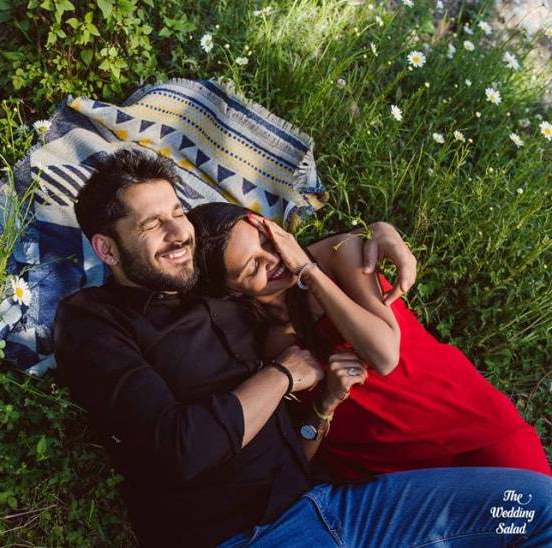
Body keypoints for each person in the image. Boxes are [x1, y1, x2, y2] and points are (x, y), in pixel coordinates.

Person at [53, 147, 552, 547]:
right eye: (150, 224)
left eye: (177, 212)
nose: (176, 232)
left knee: (537, 508)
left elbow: (317, 256)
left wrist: (376, 232)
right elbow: (183, 449)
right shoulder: (94, 319)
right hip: (257, 533)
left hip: (343, 506)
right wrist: (285, 377)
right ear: (107, 250)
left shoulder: (231, 296)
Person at [186, 201, 551, 480]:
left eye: (266, 241)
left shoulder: (334, 255)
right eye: (252, 267)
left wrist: (308, 271)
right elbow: (291, 454)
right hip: (394, 480)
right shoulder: (266, 348)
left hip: (467, 426)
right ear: (231, 293)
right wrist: (324, 403)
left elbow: (384, 355)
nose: (273, 259)